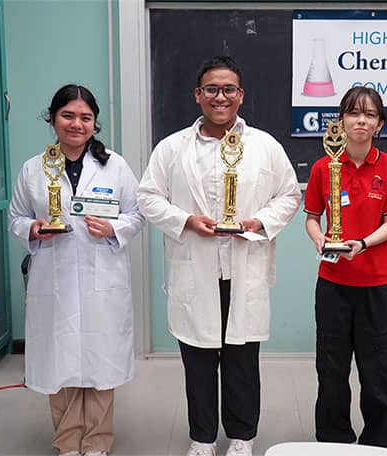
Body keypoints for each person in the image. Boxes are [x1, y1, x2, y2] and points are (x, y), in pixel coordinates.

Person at [137, 56, 301, 456]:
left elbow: (290, 194)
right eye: (211, 89)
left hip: (244, 267)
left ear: (241, 96)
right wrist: (186, 220)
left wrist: (258, 222)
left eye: (229, 89)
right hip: (195, 270)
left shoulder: (264, 145)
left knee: (243, 362)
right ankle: (202, 438)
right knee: (198, 360)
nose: (220, 96)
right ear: (198, 95)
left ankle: (242, 437)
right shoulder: (172, 148)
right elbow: (147, 197)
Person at [9, 84, 145, 456]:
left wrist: (114, 228)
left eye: (85, 118)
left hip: (103, 275)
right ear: (52, 119)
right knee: (60, 359)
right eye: (68, 115)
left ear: (94, 124)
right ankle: (68, 441)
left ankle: (98, 441)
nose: (77, 124)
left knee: (100, 359)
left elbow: (136, 213)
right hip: (55, 277)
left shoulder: (114, 165)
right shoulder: (33, 169)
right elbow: (16, 217)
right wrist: (33, 229)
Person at [304, 87, 387, 448]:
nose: (361, 120)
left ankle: (377, 443)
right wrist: (319, 237)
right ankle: (333, 441)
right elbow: (313, 218)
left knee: (376, 372)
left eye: (370, 114)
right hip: (332, 284)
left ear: (379, 124)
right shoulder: (323, 167)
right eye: (353, 113)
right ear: (341, 120)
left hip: (377, 285)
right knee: (331, 370)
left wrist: (361, 244)